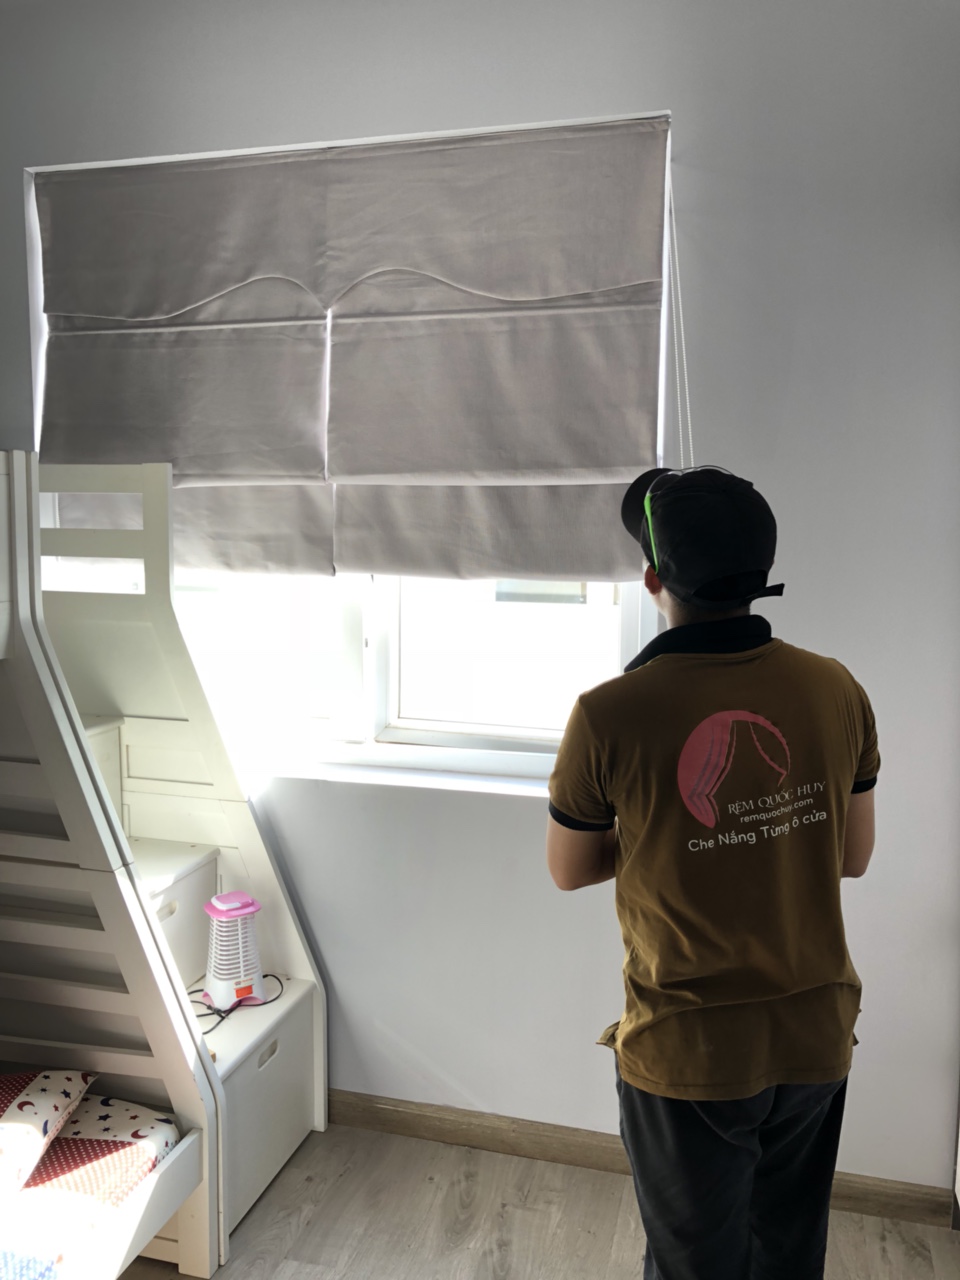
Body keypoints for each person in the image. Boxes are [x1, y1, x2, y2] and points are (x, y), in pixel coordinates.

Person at [546, 465, 879, 1280]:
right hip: (815, 1031)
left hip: (688, 1048)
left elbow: (571, 868)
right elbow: (852, 856)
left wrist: (667, 830)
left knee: (694, 1264)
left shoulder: (609, 712)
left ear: (653, 579)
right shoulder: (835, 686)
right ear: (763, 574)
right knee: (788, 1252)